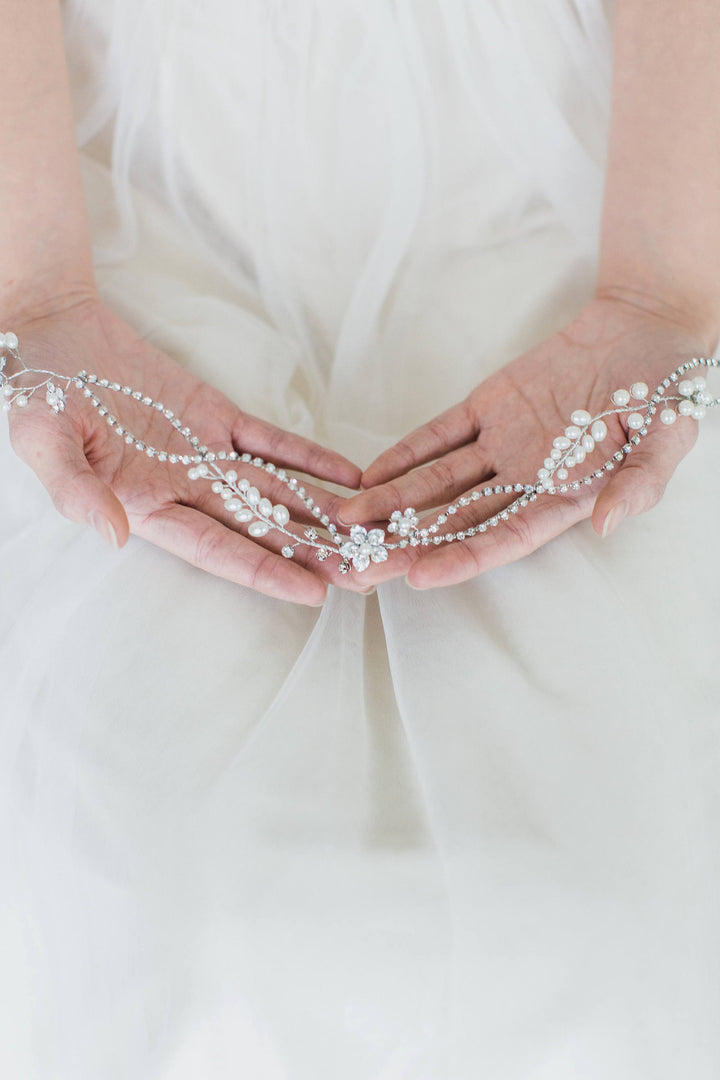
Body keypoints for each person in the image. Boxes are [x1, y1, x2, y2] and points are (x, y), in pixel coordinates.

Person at [1, 1, 719, 1077]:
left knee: (612, 919)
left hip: (597, 159)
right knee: (144, 922)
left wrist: (662, 289)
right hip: (91, 180)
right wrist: (35, 292)